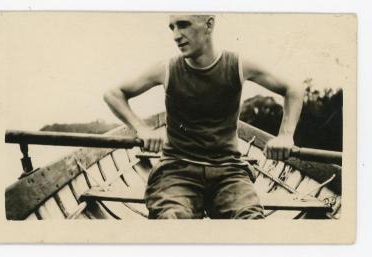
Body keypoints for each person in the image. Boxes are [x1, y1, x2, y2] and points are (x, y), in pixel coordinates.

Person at [103, 14, 305, 219]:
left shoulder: (238, 65)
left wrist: (286, 135)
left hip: (228, 171)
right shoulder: (166, 69)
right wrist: (142, 128)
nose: (175, 35)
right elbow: (113, 94)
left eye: (183, 25)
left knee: (251, 224)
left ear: (209, 25)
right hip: (176, 171)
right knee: (171, 222)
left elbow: (294, 89)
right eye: (171, 27)